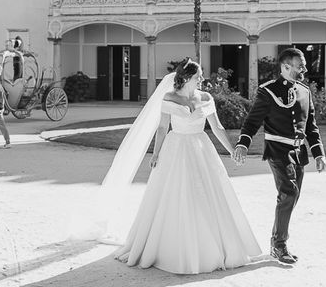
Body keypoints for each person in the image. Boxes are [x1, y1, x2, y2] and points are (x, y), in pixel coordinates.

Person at [111, 58, 261, 274]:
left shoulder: (206, 98)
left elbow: (217, 127)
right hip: (176, 148)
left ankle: (213, 246)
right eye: (199, 75)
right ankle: (173, 248)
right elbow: (162, 128)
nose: (202, 78)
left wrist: (231, 150)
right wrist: (156, 153)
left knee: (208, 195)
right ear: (187, 77)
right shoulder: (169, 98)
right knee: (176, 195)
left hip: (201, 149)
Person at [233, 47, 326, 264]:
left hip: (299, 152)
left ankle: (277, 240)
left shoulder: (305, 91)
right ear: (285, 66)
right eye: (299, 65)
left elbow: (311, 127)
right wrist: (243, 144)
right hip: (277, 151)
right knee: (289, 192)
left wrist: (319, 153)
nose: (304, 68)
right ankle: (279, 245)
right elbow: (252, 121)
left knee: (292, 197)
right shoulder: (268, 91)